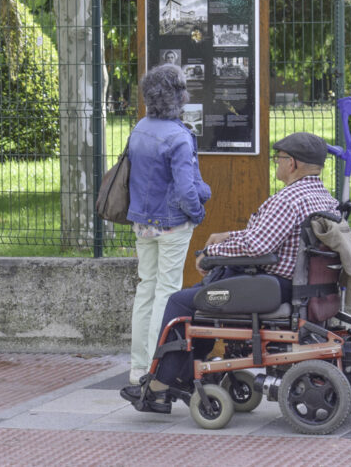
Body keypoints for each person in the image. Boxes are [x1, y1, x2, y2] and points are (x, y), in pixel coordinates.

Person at [121, 131, 338, 413]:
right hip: (303, 286)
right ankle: (180, 375)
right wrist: (226, 237)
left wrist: (212, 254)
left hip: (273, 286)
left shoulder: (288, 199)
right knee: (205, 296)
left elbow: (257, 245)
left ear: (293, 163)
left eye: (279, 159)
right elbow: (262, 237)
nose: (277, 163)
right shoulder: (323, 197)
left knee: (182, 303)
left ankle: (161, 387)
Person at [126, 64, 211, 384]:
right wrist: (199, 214)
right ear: (179, 97)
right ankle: (156, 366)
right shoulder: (179, 136)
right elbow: (187, 190)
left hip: (142, 222)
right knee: (167, 291)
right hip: (173, 224)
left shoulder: (140, 129)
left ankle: (137, 367)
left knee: (146, 288)